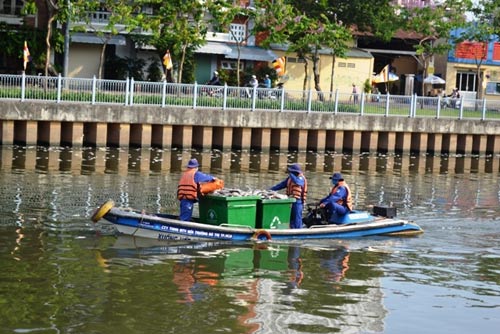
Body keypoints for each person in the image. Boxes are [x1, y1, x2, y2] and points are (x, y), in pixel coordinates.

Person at [269, 163, 307, 229]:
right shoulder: (290, 179)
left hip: (298, 202)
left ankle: (298, 230)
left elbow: (298, 182)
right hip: (290, 201)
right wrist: (270, 190)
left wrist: (291, 174)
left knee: (296, 219)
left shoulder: (301, 178)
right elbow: (281, 185)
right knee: (290, 218)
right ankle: (291, 228)